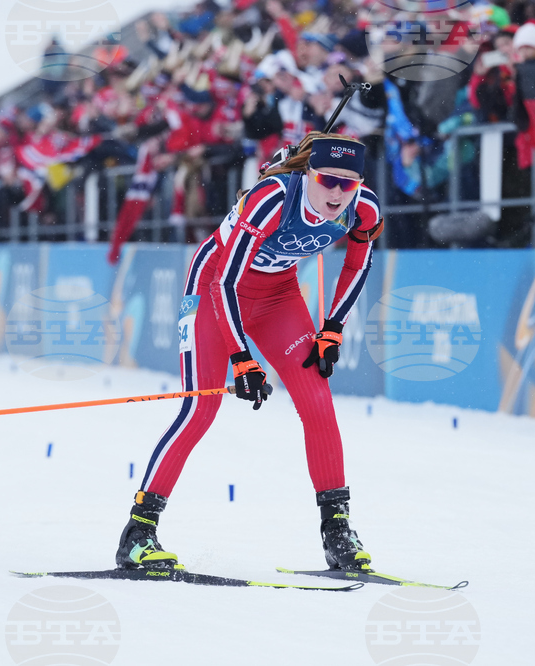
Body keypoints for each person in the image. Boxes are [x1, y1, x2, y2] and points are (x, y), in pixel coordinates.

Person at [114, 131, 384, 572]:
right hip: (213, 290)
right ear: (308, 174)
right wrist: (242, 358)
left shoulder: (364, 208)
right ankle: (139, 532)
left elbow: (358, 262)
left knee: (318, 404)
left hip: (278, 297)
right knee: (198, 412)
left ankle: (337, 532)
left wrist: (333, 327)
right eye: (328, 180)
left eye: (348, 183)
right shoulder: (272, 199)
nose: (337, 193)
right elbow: (224, 281)